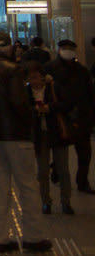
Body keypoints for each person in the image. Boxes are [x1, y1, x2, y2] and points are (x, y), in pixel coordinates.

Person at [0, 30, 51, 254]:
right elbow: (18, 103)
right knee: (27, 186)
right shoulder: (14, 70)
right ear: (8, 47)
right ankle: (33, 237)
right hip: (17, 136)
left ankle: (0, 239)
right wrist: (31, 118)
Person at [25, 60, 73, 215]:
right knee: (42, 171)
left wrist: (49, 108)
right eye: (31, 78)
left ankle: (66, 202)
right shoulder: (26, 92)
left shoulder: (54, 88)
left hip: (57, 132)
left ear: (43, 77)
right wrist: (35, 111)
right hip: (40, 135)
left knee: (63, 169)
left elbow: (68, 104)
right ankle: (46, 201)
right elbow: (22, 110)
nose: (34, 81)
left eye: (36, 77)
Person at [47, 39, 94, 194]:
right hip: (61, 116)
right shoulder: (50, 69)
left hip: (81, 116)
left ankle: (82, 181)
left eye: (70, 48)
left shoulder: (82, 70)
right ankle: (56, 169)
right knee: (61, 151)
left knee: (84, 153)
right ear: (59, 50)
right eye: (64, 48)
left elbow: (89, 93)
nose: (67, 50)